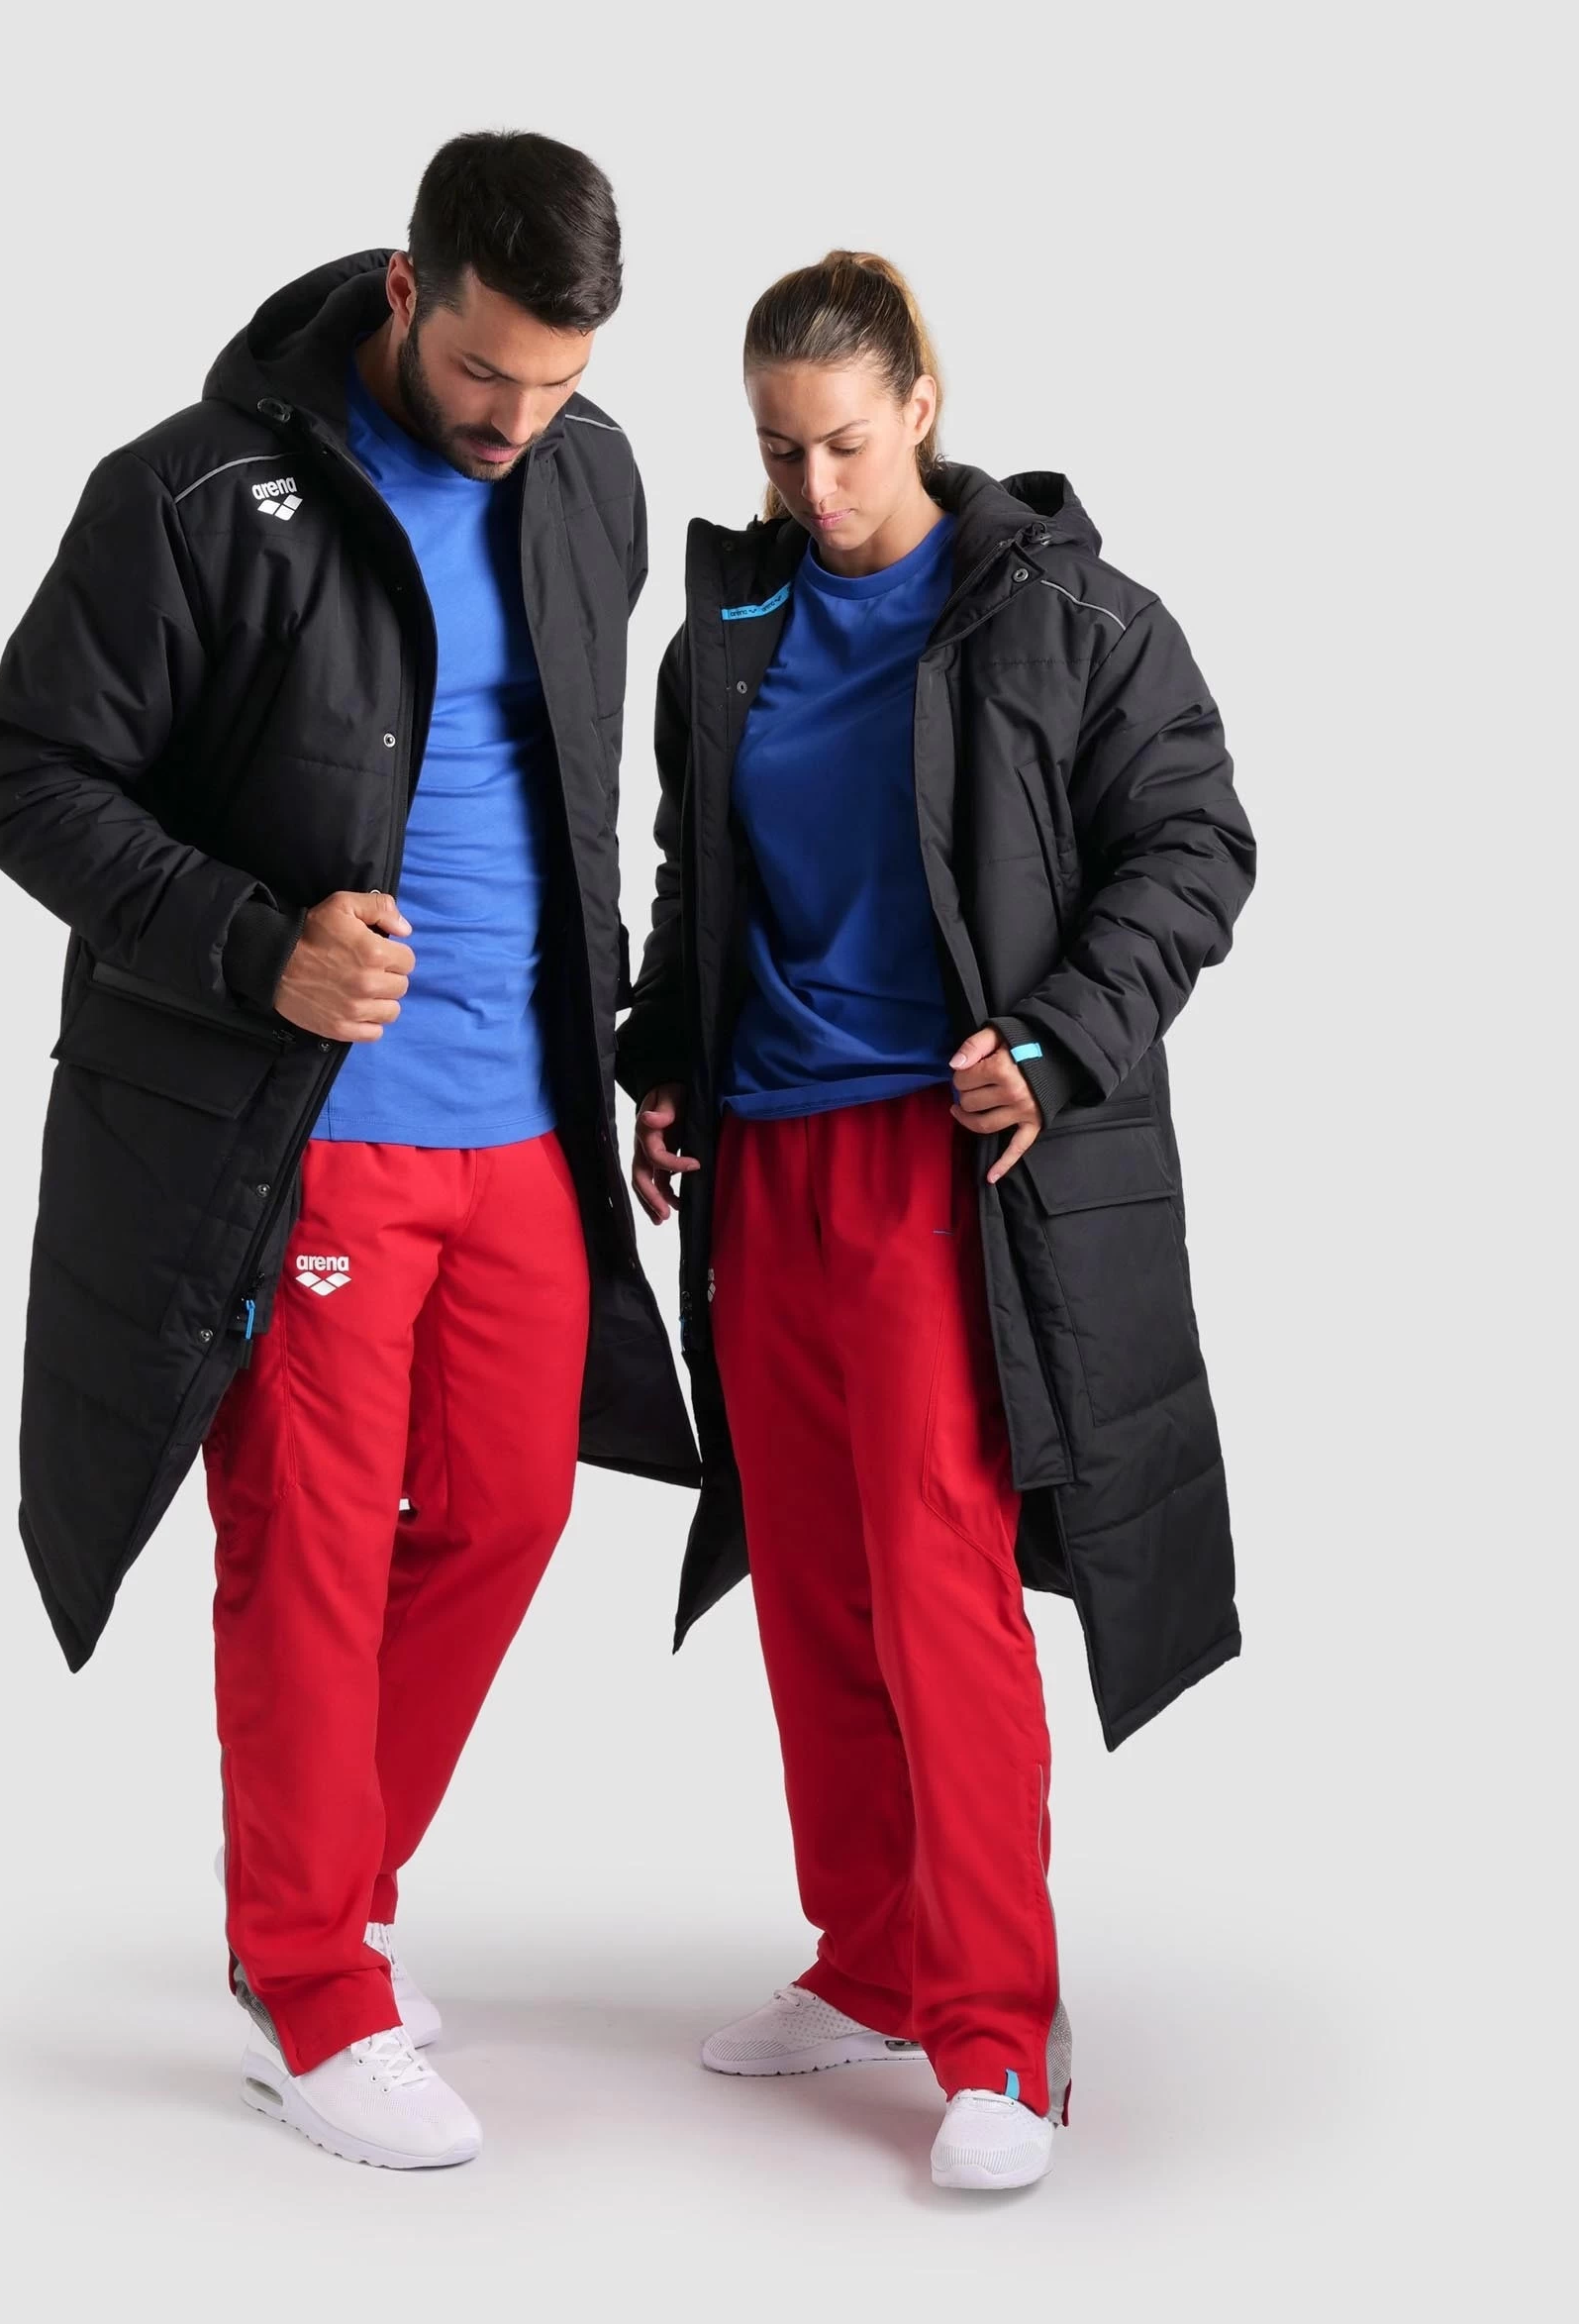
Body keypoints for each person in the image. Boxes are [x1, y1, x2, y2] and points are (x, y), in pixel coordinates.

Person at [0, 131, 696, 2172]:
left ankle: (326, 1899)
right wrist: (251, 943)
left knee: (508, 1515)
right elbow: (20, 772)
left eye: (557, 382)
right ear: (403, 288)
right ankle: (310, 1986)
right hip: (309, 1138)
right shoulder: (194, 493)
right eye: (482, 371)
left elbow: (576, 795)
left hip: (524, 1122)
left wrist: (645, 1046)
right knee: (305, 1554)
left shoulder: (593, 475)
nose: (515, 420)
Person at [617, 252, 1255, 2191]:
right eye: (777, 450)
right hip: (765, 1168)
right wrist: (666, 1057)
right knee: (813, 1581)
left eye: (843, 443)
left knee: (937, 1585)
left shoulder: (1068, 614)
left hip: (939, 1167)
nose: (812, 488)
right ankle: (875, 1958)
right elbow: (699, 877)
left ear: (920, 402)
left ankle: (996, 2027)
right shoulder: (725, 632)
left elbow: (1196, 844)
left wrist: (1056, 1040)